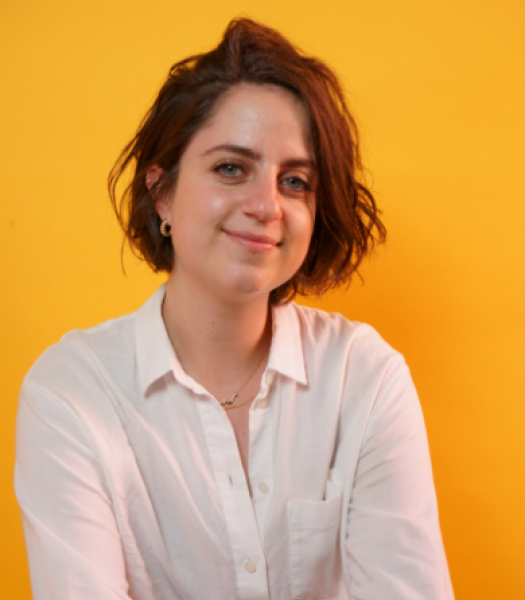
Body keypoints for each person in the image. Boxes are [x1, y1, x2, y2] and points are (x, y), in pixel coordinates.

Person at [15, 17, 454, 600]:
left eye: (295, 181)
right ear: (162, 192)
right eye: (231, 168)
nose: (267, 205)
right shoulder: (70, 394)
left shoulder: (365, 378)